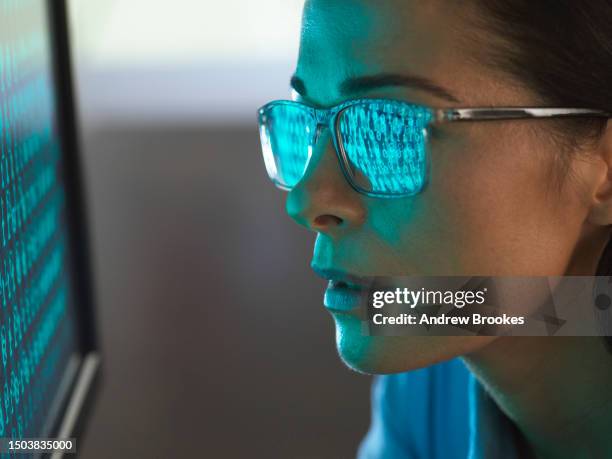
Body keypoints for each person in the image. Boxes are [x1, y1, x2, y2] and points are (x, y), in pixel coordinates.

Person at [257, 1, 612, 457]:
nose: (306, 201)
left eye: (388, 130)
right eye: (303, 123)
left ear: (603, 169)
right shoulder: (428, 369)